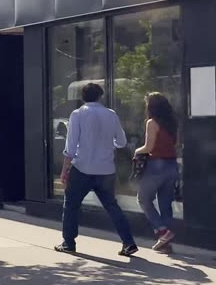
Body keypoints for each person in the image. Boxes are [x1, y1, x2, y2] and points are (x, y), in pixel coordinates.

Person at [57, 83, 137, 256]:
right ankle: (128, 242)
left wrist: (64, 170)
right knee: (112, 206)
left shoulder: (77, 114)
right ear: (100, 96)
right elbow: (121, 142)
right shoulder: (111, 115)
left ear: (83, 97)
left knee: (71, 205)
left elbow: (70, 146)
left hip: (82, 167)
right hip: (106, 169)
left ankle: (68, 242)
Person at [134, 92, 180, 253]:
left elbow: (149, 147)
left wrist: (136, 151)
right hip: (172, 165)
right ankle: (165, 244)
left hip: (156, 165)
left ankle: (162, 231)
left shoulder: (152, 123)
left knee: (143, 198)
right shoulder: (172, 122)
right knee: (165, 204)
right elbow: (176, 144)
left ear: (151, 107)